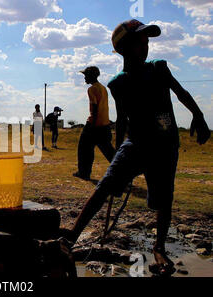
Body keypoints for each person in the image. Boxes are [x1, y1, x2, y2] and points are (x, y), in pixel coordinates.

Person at [62, 19, 210, 276]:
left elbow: (181, 92)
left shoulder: (159, 69)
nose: (146, 46)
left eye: (147, 41)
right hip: (136, 144)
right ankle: (70, 238)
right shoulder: (118, 84)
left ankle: (160, 247)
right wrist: (119, 150)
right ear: (123, 49)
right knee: (104, 187)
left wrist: (198, 116)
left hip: (165, 145)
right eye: (139, 42)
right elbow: (122, 119)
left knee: (164, 198)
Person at [73, 66, 116, 180]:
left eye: (86, 76)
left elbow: (95, 108)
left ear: (91, 76)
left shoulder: (92, 89)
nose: (85, 78)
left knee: (84, 149)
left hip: (94, 125)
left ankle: (84, 173)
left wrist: (92, 126)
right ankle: (124, 171)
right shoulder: (102, 88)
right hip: (105, 125)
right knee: (109, 151)